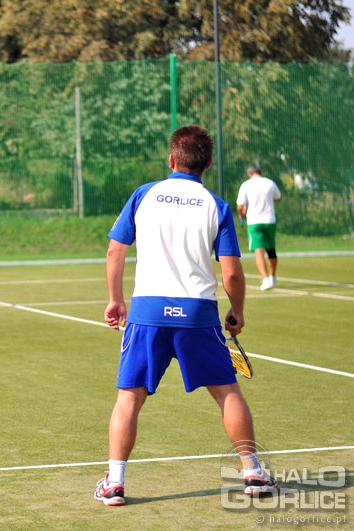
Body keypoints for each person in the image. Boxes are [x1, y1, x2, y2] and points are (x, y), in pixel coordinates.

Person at [95, 125, 277, 507]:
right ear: (208, 163)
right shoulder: (216, 205)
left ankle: (115, 483)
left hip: (148, 311)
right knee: (227, 392)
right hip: (197, 313)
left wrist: (115, 300)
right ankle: (252, 472)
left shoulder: (144, 195)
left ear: (171, 160)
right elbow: (231, 273)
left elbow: (115, 252)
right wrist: (238, 309)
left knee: (129, 397)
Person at [236, 164, 282, 290]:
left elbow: (240, 206)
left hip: (254, 222)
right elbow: (278, 198)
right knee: (271, 250)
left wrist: (241, 214)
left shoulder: (246, 185)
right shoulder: (270, 183)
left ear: (249, 174)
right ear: (260, 172)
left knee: (258, 251)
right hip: (270, 220)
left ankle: (265, 279)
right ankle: (272, 277)